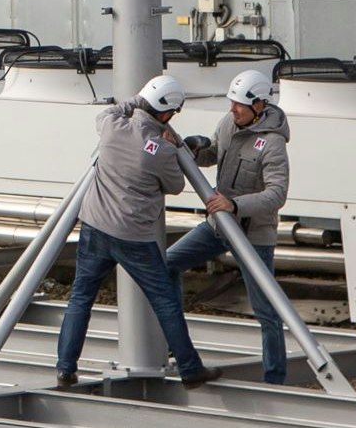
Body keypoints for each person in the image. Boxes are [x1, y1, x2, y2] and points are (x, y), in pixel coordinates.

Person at [53, 74, 213, 389]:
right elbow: (176, 186)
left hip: (95, 226)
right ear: (167, 115)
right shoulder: (161, 151)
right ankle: (190, 369)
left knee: (81, 297)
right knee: (165, 300)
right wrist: (176, 145)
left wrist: (135, 102)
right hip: (134, 237)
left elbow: (110, 112)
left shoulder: (112, 126)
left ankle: (65, 369)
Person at [166, 67, 293, 384]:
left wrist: (235, 204)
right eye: (231, 102)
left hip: (253, 235)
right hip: (220, 225)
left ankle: (275, 379)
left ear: (259, 106)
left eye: (239, 104)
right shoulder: (229, 123)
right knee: (166, 264)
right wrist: (189, 146)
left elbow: (277, 195)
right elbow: (211, 153)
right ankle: (174, 349)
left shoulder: (273, 144)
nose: (232, 108)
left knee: (266, 310)